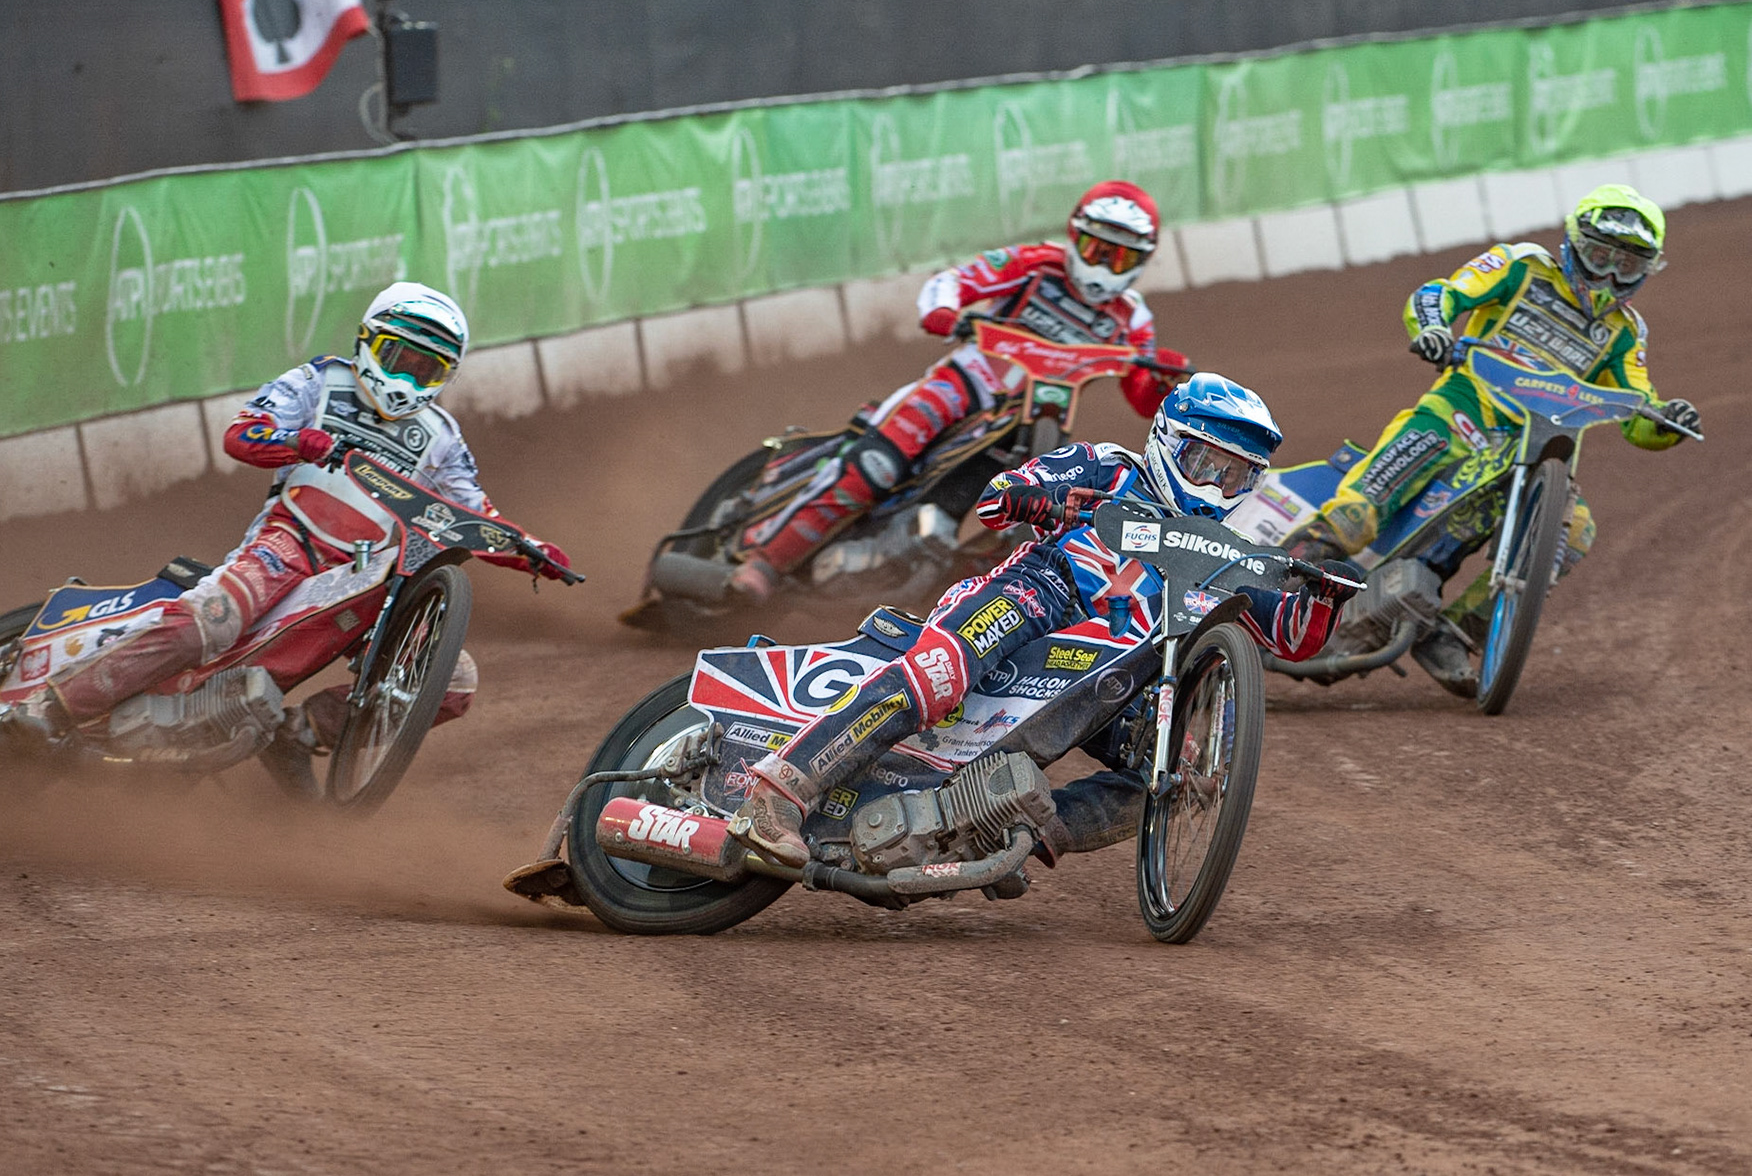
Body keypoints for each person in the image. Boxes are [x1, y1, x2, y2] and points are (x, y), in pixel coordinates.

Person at [726, 373, 1363, 868]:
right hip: (1040, 591)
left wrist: (1328, 591)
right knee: (945, 669)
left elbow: (1290, 636)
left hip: (1116, 667)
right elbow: (997, 498)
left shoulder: (1231, 552)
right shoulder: (1113, 466)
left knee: (1171, 770)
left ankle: (1003, 831)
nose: (1218, 486)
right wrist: (1049, 497)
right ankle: (779, 791)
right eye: (1206, 465)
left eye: (1237, 476)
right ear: (1170, 442)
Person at [17, 281, 568, 792]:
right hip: (290, 544)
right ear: (369, 342)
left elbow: (474, 514)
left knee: (455, 681)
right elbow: (243, 434)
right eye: (400, 360)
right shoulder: (318, 381)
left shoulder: (442, 437)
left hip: (374, 575)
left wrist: (533, 552)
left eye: (426, 372)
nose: (405, 381)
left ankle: (297, 734)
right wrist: (301, 442)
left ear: (446, 377)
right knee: (211, 622)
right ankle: (52, 706)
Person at [1284, 184, 1703, 696]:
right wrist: (1434, 327)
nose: (1609, 275)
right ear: (1574, 243)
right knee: (1361, 510)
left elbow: (1638, 409)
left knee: (1573, 533)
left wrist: (1665, 420)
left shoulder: (1625, 332)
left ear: (1646, 271)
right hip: (1461, 409)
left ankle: (1452, 631)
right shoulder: (1523, 265)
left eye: (1627, 266)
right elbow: (1442, 293)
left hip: (1534, 448)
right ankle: (1286, 572)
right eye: (1599, 256)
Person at [727, 180, 1190, 602]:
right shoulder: (1032, 265)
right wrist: (943, 312)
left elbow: (1142, 398)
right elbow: (952, 282)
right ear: (1074, 236)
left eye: (1122, 257)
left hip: (1039, 420)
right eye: (1096, 248)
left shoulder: (1132, 318)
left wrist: (1164, 381)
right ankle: (765, 562)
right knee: (876, 463)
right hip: (961, 386)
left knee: (1050, 505)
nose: (1105, 266)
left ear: (1141, 261)